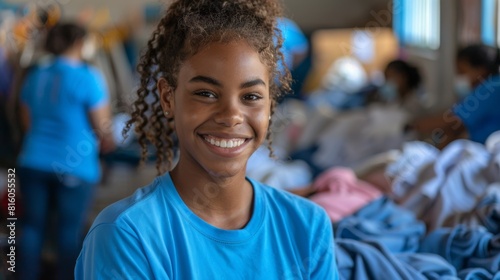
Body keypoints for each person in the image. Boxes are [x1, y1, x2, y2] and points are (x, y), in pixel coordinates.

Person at [75, 0, 338, 279]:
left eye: (251, 97)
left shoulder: (308, 227)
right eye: (206, 93)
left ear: (270, 105)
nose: (231, 116)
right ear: (168, 98)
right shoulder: (128, 236)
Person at [17, 22, 114, 280]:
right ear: (80, 43)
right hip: (74, 167)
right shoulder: (87, 76)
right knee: (68, 232)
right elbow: (103, 127)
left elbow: (26, 121)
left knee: (32, 228)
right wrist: (109, 143)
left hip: (32, 161)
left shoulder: (36, 75)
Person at [411, 44, 500, 147]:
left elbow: (452, 121)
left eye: (462, 71)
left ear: (480, 69)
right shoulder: (493, 85)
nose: (460, 77)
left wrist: (411, 125)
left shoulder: (490, 89)